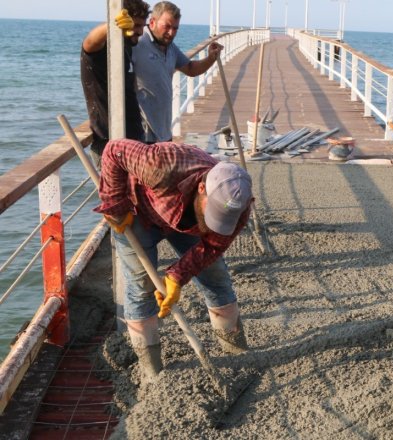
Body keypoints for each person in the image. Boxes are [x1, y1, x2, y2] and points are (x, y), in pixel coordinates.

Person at [94, 139, 253, 380]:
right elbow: (114, 150)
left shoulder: (238, 204)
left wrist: (177, 276)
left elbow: (213, 246)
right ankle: (152, 373)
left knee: (216, 276)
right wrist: (115, 204)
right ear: (202, 189)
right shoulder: (161, 164)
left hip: (187, 225)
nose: (218, 220)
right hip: (138, 212)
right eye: (214, 212)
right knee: (141, 286)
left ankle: (236, 354)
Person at [132, 1, 223, 143]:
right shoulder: (136, 43)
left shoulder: (170, 47)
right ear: (152, 23)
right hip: (143, 136)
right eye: (167, 26)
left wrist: (211, 58)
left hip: (164, 132)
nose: (171, 33)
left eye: (175, 28)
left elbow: (191, 68)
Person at [80, 0, 150, 167]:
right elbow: (89, 43)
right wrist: (112, 25)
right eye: (136, 25)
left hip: (133, 137)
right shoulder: (104, 49)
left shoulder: (126, 46)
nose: (140, 32)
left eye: (142, 26)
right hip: (109, 142)